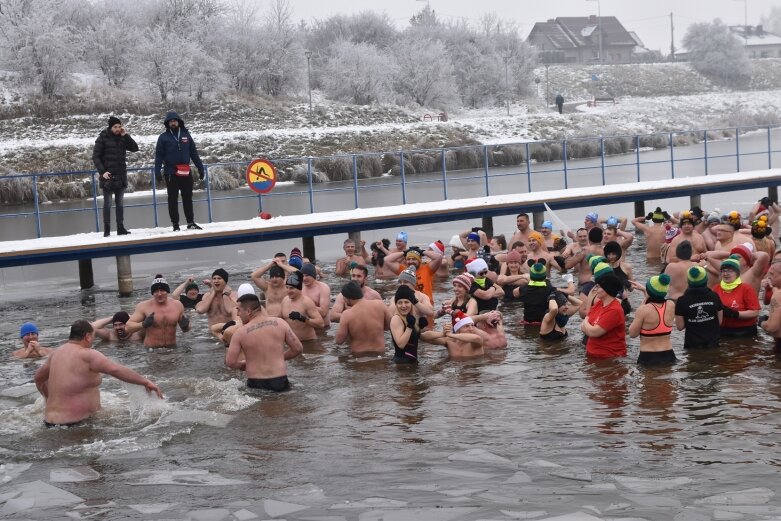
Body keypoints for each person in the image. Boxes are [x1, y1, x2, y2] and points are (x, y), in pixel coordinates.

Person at [34, 320, 162, 427]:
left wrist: (48, 397)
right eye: (93, 336)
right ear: (88, 336)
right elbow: (115, 369)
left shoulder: (56, 353)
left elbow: (38, 378)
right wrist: (145, 381)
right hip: (75, 426)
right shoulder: (87, 354)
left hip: (49, 423)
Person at [225, 294, 302, 392]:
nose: (238, 314)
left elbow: (230, 362)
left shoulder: (240, 333)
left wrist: (244, 365)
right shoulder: (280, 323)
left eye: (239, 310)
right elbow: (298, 348)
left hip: (255, 383)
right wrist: (278, 357)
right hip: (280, 381)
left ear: (248, 311)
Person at [154, 111, 206, 231]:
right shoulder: (163, 137)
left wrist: (200, 167)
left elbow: (193, 153)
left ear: (179, 122)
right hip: (171, 172)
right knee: (172, 199)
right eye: (171, 121)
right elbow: (159, 156)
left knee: (187, 197)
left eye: (175, 120)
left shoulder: (186, 135)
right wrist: (157, 171)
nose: (173, 122)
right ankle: (175, 224)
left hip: (185, 171)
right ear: (167, 123)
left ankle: (190, 222)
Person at [92, 116, 139, 237]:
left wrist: (126, 135)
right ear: (110, 127)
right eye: (115, 127)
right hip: (108, 176)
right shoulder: (102, 138)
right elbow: (95, 157)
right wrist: (103, 172)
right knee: (107, 204)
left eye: (119, 126)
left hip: (121, 176)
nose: (118, 129)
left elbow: (135, 148)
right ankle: (107, 230)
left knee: (120, 204)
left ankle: (120, 228)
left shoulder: (122, 138)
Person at [127, 274, 190, 347]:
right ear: (152, 293)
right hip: (152, 350)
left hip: (172, 349)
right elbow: (128, 327)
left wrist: (186, 326)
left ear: (167, 291)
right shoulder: (144, 306)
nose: (159, 294)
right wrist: (143, 324)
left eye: (162, 290)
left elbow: (186, 330)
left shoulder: (177, 305)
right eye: (156, 291)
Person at [629, 274, 677, 366]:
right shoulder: (671, 305)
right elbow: (656, 298)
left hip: (649, 357)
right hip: (669, 355)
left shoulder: (643, 309)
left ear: (649, 291)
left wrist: (645, 292)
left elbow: (632, 334)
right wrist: (645, 290)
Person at [335, 281, 390, 356]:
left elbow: (339, 341)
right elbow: (391, 325)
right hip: (379, 353)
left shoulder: (347, 314)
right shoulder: (380, 304)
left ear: (348, 298)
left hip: (358, 356)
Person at [675, 266, 723, 349]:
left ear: (689, 281)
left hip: (692, 345)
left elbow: (680, 327)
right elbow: (719, 321)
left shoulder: (682, 300)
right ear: (705, 280)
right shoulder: (714, 296)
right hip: (713, 345)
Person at [581, 273, 627, 358]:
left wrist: (586, 324)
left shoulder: (614, 310)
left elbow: (594, 332)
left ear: (607, 289)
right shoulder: (599, 303)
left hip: (609, 357)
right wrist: (588, 326)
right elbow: (583, 326)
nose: (596, 290)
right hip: (593, 355)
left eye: (598, 287)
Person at [713, 256, 760, 337]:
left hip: (744, 331)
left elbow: (755, 312)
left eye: (730, 271)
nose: (726, 274)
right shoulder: (716, 289)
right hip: (723, 331)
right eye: (723, 271)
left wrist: (735, 314)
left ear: (737, 273)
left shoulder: (746, 288)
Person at [389, 285, 429, 364]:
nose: (403, 306)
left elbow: (421, 337)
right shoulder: (396, 319)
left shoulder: (412, 318)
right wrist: (409, 327)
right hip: (401, 366)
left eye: (406, 302)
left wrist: (443, 334)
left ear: (411, 303)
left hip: (412, 364)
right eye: (400, 303)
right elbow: (401, 344)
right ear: (396, 305)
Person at [281, 271, 325, 342]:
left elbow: (321, 323)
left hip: (309, 343)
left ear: (299, 288)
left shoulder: (306, 302)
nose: (288, 291)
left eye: (292, 288)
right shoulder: (284, 300)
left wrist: (302, 318)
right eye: (287, 287)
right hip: (292, 344)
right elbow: (281, 320)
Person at [300, 263, 331, 328]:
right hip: (309, 329)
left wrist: (306, 306)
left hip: (323, 329)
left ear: (313, 276)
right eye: (302, 276)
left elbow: (324, 312)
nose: (304, 278)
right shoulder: (300, 289)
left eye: (307, 275)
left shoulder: (323, 288)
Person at [760, 261, 781, 351]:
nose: (769, 277)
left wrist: (761, 322)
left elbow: (772, 327)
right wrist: (770, 288)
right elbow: (766, 302)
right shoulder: (777, 292)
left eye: (772, 274)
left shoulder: (778, 295)